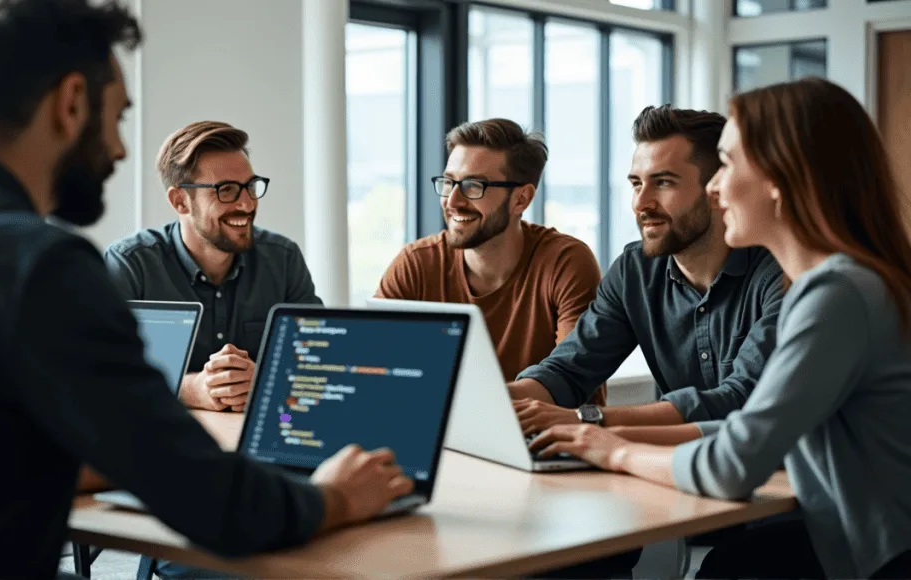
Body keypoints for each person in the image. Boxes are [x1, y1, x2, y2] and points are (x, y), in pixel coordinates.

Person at [0, 2, 412, 579]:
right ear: (70, 104)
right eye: (116, 118)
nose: (117, 149)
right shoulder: (40, 265)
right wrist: (335, 497)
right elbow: (211, 502)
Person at [527, 77, 911, 580]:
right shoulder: (842, 283)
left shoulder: (834, 296)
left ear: (781, 178)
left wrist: (616, 448)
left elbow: (732, 463)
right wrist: (599, 431)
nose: (713, 188)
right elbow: (751, 428)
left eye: (727, 164)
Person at [511, 105, 784, 442]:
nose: (641, 203)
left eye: (664, 182)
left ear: (716, 187)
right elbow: (568, 371)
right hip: (673, 468)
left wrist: (586, 420)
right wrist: (495, 400)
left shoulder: (780, 272)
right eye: (636, 183)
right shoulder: (634, 271)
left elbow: (744, 398)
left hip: (772, 475)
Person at [376, 118, 607, 405]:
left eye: (474, 186)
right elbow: (373, 373)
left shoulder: (564, 263)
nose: (453, 201)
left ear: (521, 199)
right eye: (449, 183)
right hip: (440, 435)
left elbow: (574, 384)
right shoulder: (416, 264)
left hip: (541, 440)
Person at [105, 121, 320, 414]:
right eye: (227, 190)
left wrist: (266, 379)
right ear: (180, 201)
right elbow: (104, 372)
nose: (246, 204)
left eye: (250, 186)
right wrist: (191, 389)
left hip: (255, 443)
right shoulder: (131, 264)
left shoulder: (283, 259)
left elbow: (317, 361)